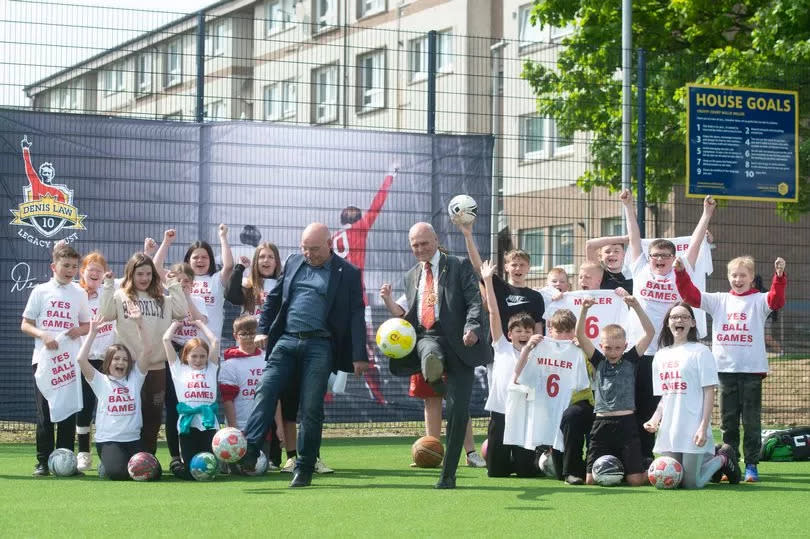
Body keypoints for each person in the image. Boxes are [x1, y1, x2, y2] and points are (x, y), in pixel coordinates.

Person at [239, 223, 368, 488]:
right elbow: (274, 299)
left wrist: (359, 355)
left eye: (314, 249)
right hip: (286, 341)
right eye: (304, 248)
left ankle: (305, 466)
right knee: (265, 389)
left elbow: (356, 314)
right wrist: (263, 329)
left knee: (311, 407)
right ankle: (250, 450)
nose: (308, 253)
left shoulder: (349, 273)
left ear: (329, 243)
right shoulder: (294, 262)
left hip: (319, 346)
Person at [383, 222, 487, 488]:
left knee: (458, 409)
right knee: (428, 348)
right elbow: (411, 316)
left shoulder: (457, 265)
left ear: (435, 240)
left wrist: (472, 327)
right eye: (415, 245)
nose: (419, 249)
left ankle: (448, 475)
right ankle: (433, 368)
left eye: (424, 243)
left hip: (461, 343)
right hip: (428, 337)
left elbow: (475, 301)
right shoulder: (410, 276)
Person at [621, 189, 715, 460]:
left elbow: (695, 244)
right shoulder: (639, 267)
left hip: (669, 353)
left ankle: (665, 453)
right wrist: (628, 206)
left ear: (674, 257)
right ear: (648, 258)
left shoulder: (681, 270)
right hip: (640, 350)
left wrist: (706, 214)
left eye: (665, 255)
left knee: (663, 403)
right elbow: (634, 237)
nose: (660, 259)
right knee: (638, 405)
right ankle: (638, 457)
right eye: (656, 255)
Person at [674, 255, 787, 482]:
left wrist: (779, 277)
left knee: (752, 421)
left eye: (743, 275)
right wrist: (680, 273)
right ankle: (730, 462)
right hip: (724, 370)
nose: (738, 279)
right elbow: (690, 296)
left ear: (752, 278)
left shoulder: (759, 300)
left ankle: (751, 465)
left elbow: (776, 301)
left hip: (752, 370)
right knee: (728, 422)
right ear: (728, 277)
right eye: (734, 275)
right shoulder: (719, 300)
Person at [644, 302, 740, 487]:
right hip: (670, 429)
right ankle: (708, 461)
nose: (679, 320)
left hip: (693, 425)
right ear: (667, 323)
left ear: (693, 323)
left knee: (691, 483)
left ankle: (723, 458)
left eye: (684, 317)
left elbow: (709, 391)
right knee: (676, 481)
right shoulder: (661, 355)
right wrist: (654, 420)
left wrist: (703, 427)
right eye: (674, 317)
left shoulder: (701, 352)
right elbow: (665, 395)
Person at [100, 255, 188, 456]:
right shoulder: (121, 295)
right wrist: (107, 285)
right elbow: (105, 314)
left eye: (149, 273)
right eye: (140, 273)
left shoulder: (162, 299)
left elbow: (182, 312)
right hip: (128, 368)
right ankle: (126, 455)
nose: (145, 278)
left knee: (153, 417)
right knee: (128, 414)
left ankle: (147, 459)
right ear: (131, 274)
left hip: (156, 366)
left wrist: (173, 284)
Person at [21, 244, 90, 476]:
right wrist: (43, 334)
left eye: (74, 266)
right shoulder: (40, 291)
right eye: (65, 265)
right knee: (46, 412)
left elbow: (87, 324)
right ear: (54, 266)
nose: (70, 270)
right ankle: (42, 461)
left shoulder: (79, 293)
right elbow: (25, 324)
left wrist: (77, 332)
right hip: (44, 361)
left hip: (69, 362)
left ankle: (65, 461)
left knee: (68, 411)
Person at [331, 170, 395, 406]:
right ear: (358, 219)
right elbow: (377, 203)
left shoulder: (333, 237)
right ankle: (379, 397)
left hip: (336, 301)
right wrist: (390, 176)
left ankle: (327, 396)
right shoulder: (361, 228)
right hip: (358, 300)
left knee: (331, 344)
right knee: (367, 347)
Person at [576, 295, 655, 486]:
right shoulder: (599, 361)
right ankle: (616, 467)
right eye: (608, 348)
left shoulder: (630, 360)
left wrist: (636, 306)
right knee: (590, 481)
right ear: (601, 346)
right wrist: (584, 310)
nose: (613, 351)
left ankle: (655, 468)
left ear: (625, 346)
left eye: (617, 348)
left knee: (635, 481)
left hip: (627, 424)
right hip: (601, 423)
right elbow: (580, 336)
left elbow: (650, 333)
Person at [505, 310, 590, 466]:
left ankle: (580, 464)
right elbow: (518, 377)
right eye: (559, 331)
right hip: (545, 407)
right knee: (531, 466)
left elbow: (585, 382)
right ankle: (544, 454)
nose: (564, 336)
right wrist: (528, 348)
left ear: (574, 331)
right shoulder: (539, 347)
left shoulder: (579, 350)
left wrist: (583, 349)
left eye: (568, 331)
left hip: (570, 407)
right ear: (550, 331)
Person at [480, 259, 538, 477]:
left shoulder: (537, 351)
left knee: (527, 472)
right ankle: (503, 461)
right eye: (518, 330)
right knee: (496, 472)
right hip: (501, 411)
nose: (523, 334)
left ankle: (530, 460)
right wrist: (487, 280)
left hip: (524, 412)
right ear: (509, 333)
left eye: (527, 330)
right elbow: (493, 313)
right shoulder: (501, 346)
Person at [77, 315, 153, 481]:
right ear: (108, 362)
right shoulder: (100, 380)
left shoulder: (135, 378)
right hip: (109, 441)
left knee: (150, 474)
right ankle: (106, 465)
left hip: (133, 440)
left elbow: (148, 350)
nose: (121, 362)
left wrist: (140, 324)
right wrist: (92, 333)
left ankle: (112, 464)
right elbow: (81, 359)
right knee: (119, 474)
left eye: (125, 359)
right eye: (116, 359)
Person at [219, 315, 282, 470]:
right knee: (237, 471)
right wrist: (233, 430)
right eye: (243, 334)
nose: (248, 337)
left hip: (262, 428)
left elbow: (274, 397)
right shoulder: (229, 364)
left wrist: (279, 426)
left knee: (258, 469)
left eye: (252, 333)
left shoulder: (266, 359)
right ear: (235, 336)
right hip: (239, 428)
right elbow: (227, 400)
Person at [153, 225, 234, 343]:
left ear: (211, 260)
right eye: (195, 257)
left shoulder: (217, 279)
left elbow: (229, 266)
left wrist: (223, 237)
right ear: (188, 260)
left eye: (204, 257)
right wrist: (166, 241)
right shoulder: (179, 278)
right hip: (181, 346)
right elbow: (156, 268)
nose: (200, 260)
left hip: (208, 346)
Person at [164, 261, 208, 475]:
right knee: (173, 406)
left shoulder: (198, 299)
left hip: (194, 356)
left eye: (187, 281)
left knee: (195, 403)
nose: (182, 284)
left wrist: (187, 297)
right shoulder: (166, 301)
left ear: (193, 283)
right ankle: (175, 456)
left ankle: (201, 451)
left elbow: (201, 320)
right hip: (173, 353)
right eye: (178, 281)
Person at [163, 319, 219, 480]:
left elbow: (214, 340)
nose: (198, 360)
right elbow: (166, 340)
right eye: (194, 356)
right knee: (191, 471)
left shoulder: (211, 368)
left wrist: (199, 324)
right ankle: (178, 466)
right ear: (186, 356)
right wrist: (175, 324)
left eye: (202, 356)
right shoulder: (178, 369)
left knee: (208, 468)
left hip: (208, 424)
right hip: (188, 425)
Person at [74, 251, 116, 472]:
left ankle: (106, 453)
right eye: (91, 269)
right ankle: (83, 454)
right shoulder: (75, 293)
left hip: (107, 360)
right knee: (84, 408)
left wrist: (147, 251)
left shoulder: (111, 289)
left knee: (107, 408)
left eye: (99, 270)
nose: (95, 273)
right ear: (83, 272)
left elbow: (133, 277)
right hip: (85, 359)